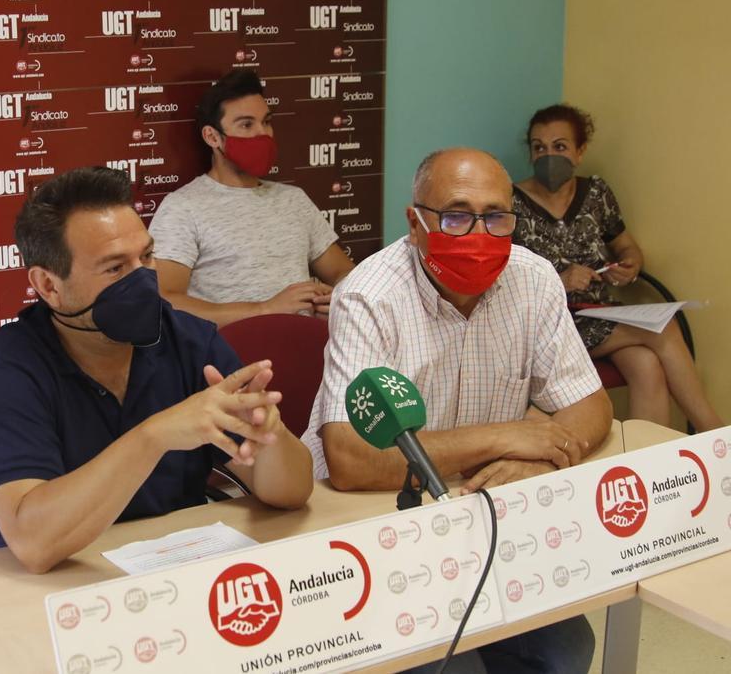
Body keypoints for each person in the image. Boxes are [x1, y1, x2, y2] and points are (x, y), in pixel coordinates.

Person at [303, 148, 611, 673]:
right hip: (380, 522)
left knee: (565, 652)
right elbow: (352, 461)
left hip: (482, 515)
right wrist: (506, 436)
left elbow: (591, 406)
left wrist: (538, 459)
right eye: (455, 215)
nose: (479, 234)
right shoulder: (370, 296)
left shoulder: (534, 280)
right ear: (416, 222)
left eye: (495, 216)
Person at [0, 166, 313, 573]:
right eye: (115, 268)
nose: (143, 280)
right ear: (48, 285)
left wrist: (269, 432)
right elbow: (34, 544)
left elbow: (291, 492)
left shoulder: (189, 341)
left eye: (145, 256)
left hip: (164, 573)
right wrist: (155, 436)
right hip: (28, 593)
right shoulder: (8, 373)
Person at [512, 103, 723, 431]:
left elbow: (625, 245)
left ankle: (649, 468)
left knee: (646, 363)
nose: (548, 155)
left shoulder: (596, 192)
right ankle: (717, 435)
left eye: (560, 146)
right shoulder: (510, 202)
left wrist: (631, 263)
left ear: (580, 151)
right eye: (539, 147)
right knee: (663, 327)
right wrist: (560, 280)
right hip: (552, 325)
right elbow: (505, 280)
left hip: (601, 315)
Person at [150, 70, 355, 327]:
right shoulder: (183, 207)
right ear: (212, 137)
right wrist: (264, 309)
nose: (263, 134)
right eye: (247, 125)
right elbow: (165, 301)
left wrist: (338, 297)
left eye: (266, 122)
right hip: (230, 359)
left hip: (304, 350)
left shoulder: (294, 200)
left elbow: (343, 271)